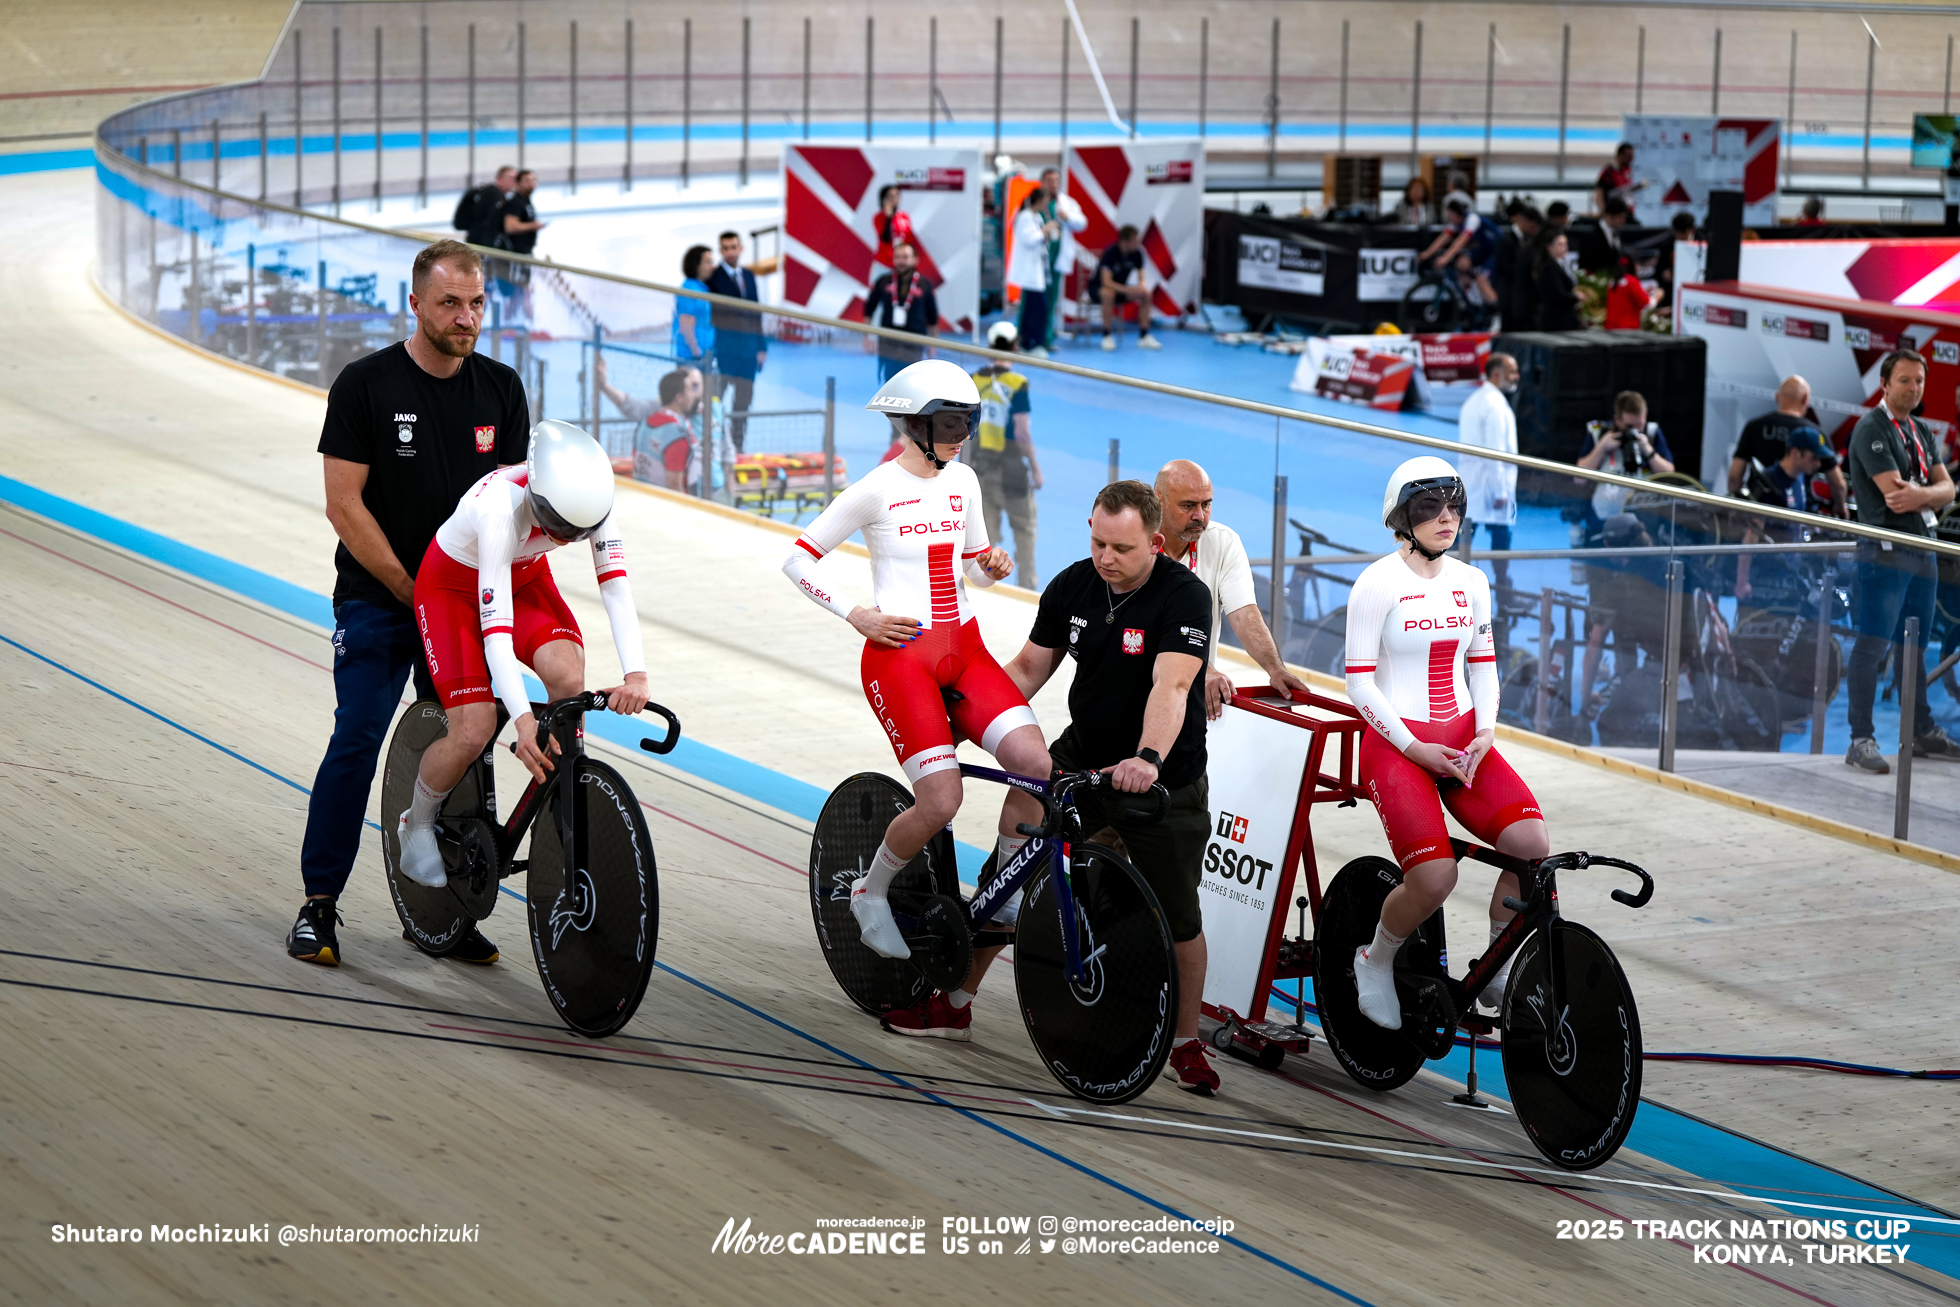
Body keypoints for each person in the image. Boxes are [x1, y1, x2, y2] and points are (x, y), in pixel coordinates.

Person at [779, 360, 1050, 1042]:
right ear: (917, 425)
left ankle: (1002, 892)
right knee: (942, 800)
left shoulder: (963, 480)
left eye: (969, 423)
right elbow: (798, 559)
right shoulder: (874, 489)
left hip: (963, 645)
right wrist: (858, 614)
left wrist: (989, 566)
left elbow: (973, 560)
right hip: (900, 656)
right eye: (954, 425)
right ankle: (869, 891)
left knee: (1037, 764)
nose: (964, 438)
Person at [289, 239, 530, 969]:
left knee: (471, 737)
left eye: (478, 302)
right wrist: (406, 585)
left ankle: (446, 911)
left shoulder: (501, 389)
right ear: (416, 303)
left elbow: (515, 509)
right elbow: (343, 504)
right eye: (451, 302)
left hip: (456, 602)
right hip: (382, 595)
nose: (467, 317)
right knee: (358, 735)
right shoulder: (365, 385)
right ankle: (318, 903)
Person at [1003, 480, 1223, 1094]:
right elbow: (1026, 669)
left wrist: (1148, 757)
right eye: (1098, 542)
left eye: (1121, 548)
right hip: (1085, 757)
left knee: (1180, 921)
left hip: (1161, 778)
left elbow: (1172, 687)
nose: (1106, 558)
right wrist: (967, 719)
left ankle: (1184, 1045)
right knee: (1020, 797)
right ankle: (959, 997)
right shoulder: (1074, 584)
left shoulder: (1183, 596)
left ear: (1156, 543)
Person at [396, 421, 652, 888]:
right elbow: (496, 635)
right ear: (535, 494)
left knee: (568, 677)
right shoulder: (499, 508)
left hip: (523, 575)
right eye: (556, 528)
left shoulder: (593, 501)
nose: (563, 539)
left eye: (577, 533)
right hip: (452, 586)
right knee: (474, 729)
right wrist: (520, 720)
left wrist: (636, 675)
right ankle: (415, 822)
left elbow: (615, 588)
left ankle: (558, 797)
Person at [1345, 457, 1550, 1030]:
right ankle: (1375, 958)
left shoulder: (1471, 581)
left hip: (1463, 740)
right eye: (1428, 507)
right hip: (1398, 749)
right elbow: (1359, 684)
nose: (1446, 518)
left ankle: (1497, 962)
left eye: (1453, 505)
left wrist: (1486, 732)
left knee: (1532, 845)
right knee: (1436, 879)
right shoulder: (1376, 584)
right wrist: (1415, 749)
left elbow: (1484, 666)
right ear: (1401, 519)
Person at [1843, 349, 1960, 773]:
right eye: (1905, 381)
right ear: (1886, 384)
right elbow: (1895, 495)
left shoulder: (1921, 429)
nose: (1914, 389)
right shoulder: (1872, 428)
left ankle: (1920, 730)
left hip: (1923, 550)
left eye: (1920, 382)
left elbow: (1945, 489)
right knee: (1872, 645)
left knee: (1914, 648)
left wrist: (1925, 493)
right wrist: (1932, 491)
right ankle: (1860, 739)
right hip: (1886, 553)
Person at [1153, 459, 1308, 718]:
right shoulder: (1134, 544)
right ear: (1159, 502)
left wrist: (1275, 669)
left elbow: (1245, 613)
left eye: (1207, 504)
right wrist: (1201, 669)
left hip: (1181, 700)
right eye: (1188, 506)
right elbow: (1147, 626)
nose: (1199, 516)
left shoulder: (1223, 542)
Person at [967, 320, 1043, 586]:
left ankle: (985, 591)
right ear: (1015, 346)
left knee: (984, 541)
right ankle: (1027, 590)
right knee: (1025, 533)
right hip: (1012, 473)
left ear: (989, 346)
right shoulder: (1018, 383)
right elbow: (1021, 432)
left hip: (980, 471)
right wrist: (1035, 466)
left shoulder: (975, 379)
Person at [1734, 424, 1834, 610]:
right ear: (1796, 453)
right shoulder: (1769, 485)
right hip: (1764, 578)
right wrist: (1742, 581)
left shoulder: (1800, 479)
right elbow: (1750, 536)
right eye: (1814, 457)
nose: (1818, 464)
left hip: (1788, 573)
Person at [1729, 375, 1847, 515]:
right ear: (1805, 399)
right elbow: (1837, 483)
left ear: (1777, 397)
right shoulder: (1816, 434)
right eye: (1814, 458)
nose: (1817, 464)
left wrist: (1735, 506)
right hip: (1796, 514)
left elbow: (1734, 476)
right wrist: (1840, 506)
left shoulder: (1754, 426)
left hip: (1759, 508)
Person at [1457, 353, 1521, 601]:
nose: (1517, 377)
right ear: (1497, 375)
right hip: (1489, 487)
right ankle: (1505, 593)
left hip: (1473, 483)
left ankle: (1446, 588)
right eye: (1512, 372)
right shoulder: (1494, 407)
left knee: (1462, 537)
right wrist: (1501, 492)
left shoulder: (1475, 401)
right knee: (1500, 538)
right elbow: (1494, 452)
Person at [595, 363, 701, 492]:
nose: (693, 395)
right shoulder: (675, 437)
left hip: (643, 495)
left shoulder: (645, 424)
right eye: (690, 389)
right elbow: (674, 485)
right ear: (679, 397)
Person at [707, 230, 766, 455]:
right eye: (726, 248)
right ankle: (711, 443)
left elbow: (757, 312)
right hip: (726, 351)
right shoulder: (714, 279)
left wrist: (761, 347)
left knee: (743, 402)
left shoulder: (749, 276)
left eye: (734, 247)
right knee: (716, 400)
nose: (731, 252)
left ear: (740, 248)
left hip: (749, 353)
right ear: (721, 251)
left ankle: (737, 447)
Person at [1577, 390, 1676, 521]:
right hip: (1604, 514)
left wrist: (1648, 450)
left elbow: (1669, 474)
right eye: (1630, 426)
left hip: (1644, 513)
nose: (1635, 430)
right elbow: (1579, 478)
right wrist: (1601, 447)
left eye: (1640, 424)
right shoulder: (1598, 433)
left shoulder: (1652, 433)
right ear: (1617, 420)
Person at [862, 241, 939, 382]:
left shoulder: (924, 284)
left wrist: (932, 345)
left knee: (912, 381)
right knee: (890, 380)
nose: (901, 261)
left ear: (915, 260)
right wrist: (867, 337)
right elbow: (869, 309)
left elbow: (932, 317)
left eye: (905, 257)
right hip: (888, 341)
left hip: (914, 342)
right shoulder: (883, 281)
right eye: (898, 257)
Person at [1418, 195, 1499, 306]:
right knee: (1461, 264)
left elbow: (1462, 240)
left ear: (1457, 213)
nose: (1448, 217)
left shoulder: (1472, 219)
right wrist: (1427, 253)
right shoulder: (1456, 223)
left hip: (1497, 250)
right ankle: (1472, 301)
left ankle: (1498, 313)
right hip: (1484, 249)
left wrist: (1446, 257)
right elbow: (1444, 238)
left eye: (1450, 214)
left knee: (1481, 280)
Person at [1007, 189, 1059, 358]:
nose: (1047, 205)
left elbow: (1042, 239)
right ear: (1039, 200)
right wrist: (1046, 230)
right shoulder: (1025, 217)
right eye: (1045, 200)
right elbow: (1029, 239)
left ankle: (1032, 342)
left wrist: (1048, 233)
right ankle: (1029, 344)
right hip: (1029, 273)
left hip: (1038, 272)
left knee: (1038, 308)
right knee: (1035, 309)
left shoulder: (1036, 217)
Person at [1096, 224, 1161, 351]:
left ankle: (1144, 336)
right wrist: (1128, 290)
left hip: (1122, 290)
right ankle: (1106, 336)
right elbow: (1106, 282)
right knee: (1108, 294)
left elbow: (1142, 278)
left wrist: (1142, 286)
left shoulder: (1137, 253)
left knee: (1146, 294)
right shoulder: (1110, 252)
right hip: (1099, 289)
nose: (1138, 243)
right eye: (1135, 241)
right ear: (1125, 241)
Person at [1492, 202, 1541, 328]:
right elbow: (1501, 266)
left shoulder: (1531, 241)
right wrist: (1525, 271)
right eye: (1532, 227)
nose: (1534, 231)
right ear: (1523, 221)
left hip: (1525, 302)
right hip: (1508, 299)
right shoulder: (1506, 240)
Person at [672, 244, 717, 366]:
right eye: (708, 262)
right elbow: (686, 325)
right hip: (692, 358)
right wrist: (697, 354)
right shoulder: (689, 289)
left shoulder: (703, 288)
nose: (712, 266)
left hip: (706, 354)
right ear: (696, 265)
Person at [452, 165, 515, 249]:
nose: (514, 182)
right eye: (511, 178)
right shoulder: (492, 195)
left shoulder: (495, 194)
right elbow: (485, 223)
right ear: (500, 178)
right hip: (483, 246)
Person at [1532, 228, 1581, 331]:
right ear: (1549, 247)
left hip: (1561, 318)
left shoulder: (1557, 265)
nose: (1565, 248)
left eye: (1565, 244)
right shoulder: (1549, 267)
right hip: (1556, 320)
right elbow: (1558, 295)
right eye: (1560, 244)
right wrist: (1577, 297)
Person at [1653, 211, 1696, 311]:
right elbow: (1658, 271)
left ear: (1691, 230)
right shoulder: (1667, 246)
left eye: (1683, 233)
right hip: (1672, 293)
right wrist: (1665, 275)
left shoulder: (1703, 243)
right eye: (1677, 232)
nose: (1679, 236)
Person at [1577, 197, 1632, 275]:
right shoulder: (1590, 237)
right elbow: (1586, 265)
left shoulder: (1617, 234)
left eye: (1624, 217)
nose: (1623, 221)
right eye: (1620, 217)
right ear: (1609, 216)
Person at [499, 168, 544, 256]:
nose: (531, 183)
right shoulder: (516, 202)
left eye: (533, 180)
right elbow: (510, 227)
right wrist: (533, 225)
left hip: (526, 250)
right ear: (518, 183)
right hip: (515, 254)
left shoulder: (526, 201)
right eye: (527, 180)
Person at [1594, 142, 1643, 219]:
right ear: (1620, 155)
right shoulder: (1609, 172)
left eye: (1632, 156)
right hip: (1614, 214)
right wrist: (1604, 211)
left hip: (1627, 213)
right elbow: (1599, 194)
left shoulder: (1628, 171)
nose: (1631, 159)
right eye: (1628, 156)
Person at [872, 183, 915, 268]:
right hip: (884, 263)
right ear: (883, 199)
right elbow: (885, 238)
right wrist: (889, 217)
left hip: (902, 265)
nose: (894, 198)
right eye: (890, 196)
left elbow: (909, 240)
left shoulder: (904, 216)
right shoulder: (879, 217)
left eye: (897, 195)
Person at [1601, 257, 1651, 329]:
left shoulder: (1612, 281)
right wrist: (1657, 296)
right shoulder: (1631, 281)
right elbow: (1646, 303)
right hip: (1627, 327)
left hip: (1611, 327)